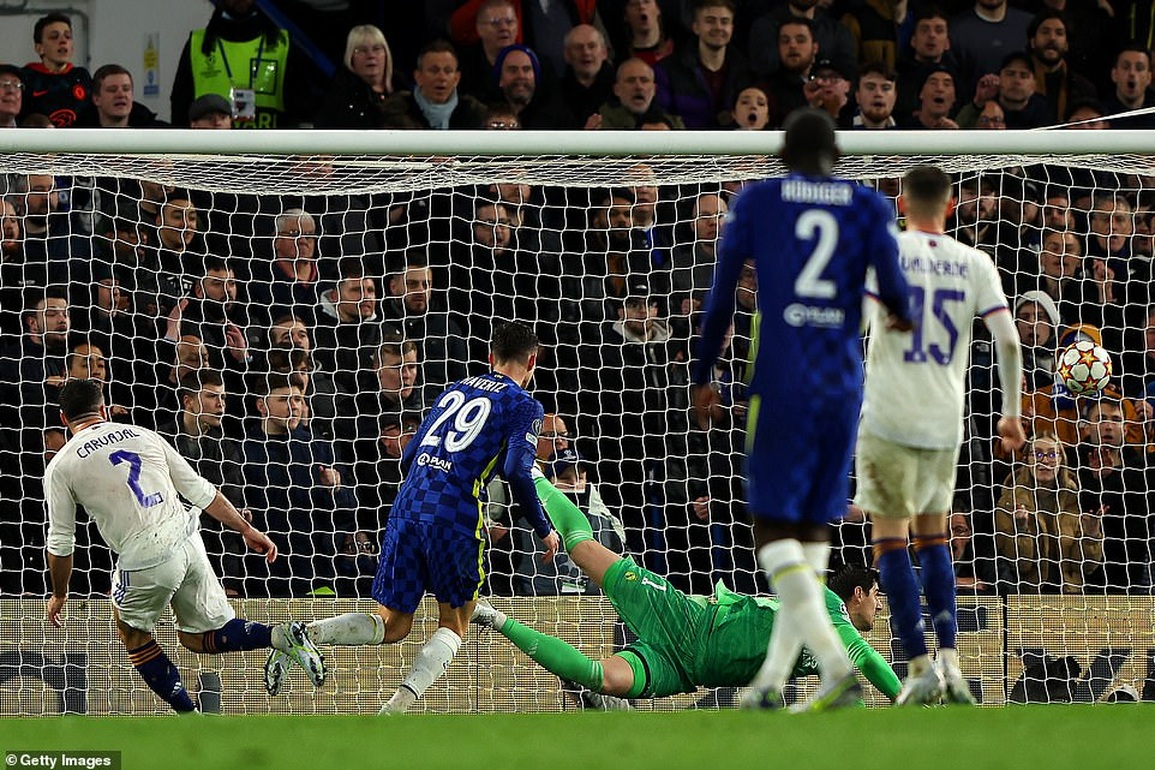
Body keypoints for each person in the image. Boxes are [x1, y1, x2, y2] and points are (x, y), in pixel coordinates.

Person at [691, 107, 913, 711]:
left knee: (773, 530)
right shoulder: (868, 206)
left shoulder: (759, 202)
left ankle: (836, 671)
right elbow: (897, 297)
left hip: (782, 384)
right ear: (836, 157)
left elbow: (719, 303)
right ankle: (771, 683)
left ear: (783, 156)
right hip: (843, 389)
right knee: (813, 538)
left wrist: (704, 372)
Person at [263, 322, 560, 714]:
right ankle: (395, 711)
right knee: (455, 622)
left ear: (491, 357)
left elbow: (407, 455)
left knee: (394, 624)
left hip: (408, 503)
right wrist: (544, 528)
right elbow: (518, 470)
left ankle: (305, 632)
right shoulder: (525, 405)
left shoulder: (455, 388)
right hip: (455, 512)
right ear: (533, 361)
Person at [473, 473, 900, 706]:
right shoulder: (828, 604)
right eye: (878, 596)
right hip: (687, 621)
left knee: (599, 678)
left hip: (686, 670)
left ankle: (492, 616)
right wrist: (903, 698)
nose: (881, 608)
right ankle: (535, 476)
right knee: (584, 550)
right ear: (858, 593)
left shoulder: (834, 647)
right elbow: (868, 660)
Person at [43, 379, 325, 713]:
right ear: (103, 409)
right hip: (188, 537)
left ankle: (190, 718)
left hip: (145, 554)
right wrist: (247, 528)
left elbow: (61, 544)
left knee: (132, 633)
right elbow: (201, 491)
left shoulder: (61, 465)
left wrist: (59, 593)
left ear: (63, 419)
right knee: (197, 638)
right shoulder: (142, 434)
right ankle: (280, 635)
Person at [855, 164, 1025, 705]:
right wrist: (1011, 412)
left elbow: (851, 325)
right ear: (950, 206)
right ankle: (951, 662)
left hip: (887, 416)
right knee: (934, 538)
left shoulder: (883, 253)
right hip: (942, 419)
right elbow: (1010, 341)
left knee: (890, 541)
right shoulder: (975, 262)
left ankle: (918, 666)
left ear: (901, 205)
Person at [19, 13, 92, 127]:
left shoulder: (82, 77)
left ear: (72, 46)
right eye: (54, 37)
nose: (63, 41)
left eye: (68, 36)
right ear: (39, 48)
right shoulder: (26, 77)